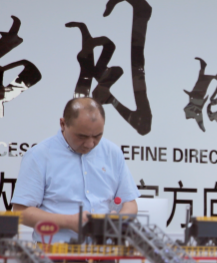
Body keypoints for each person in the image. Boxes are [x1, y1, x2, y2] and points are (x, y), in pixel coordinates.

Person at [12, 98, 139, 243]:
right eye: (82, 136)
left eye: (97, 136)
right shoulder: (39, 155)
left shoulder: (112, 153)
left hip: (105, 251)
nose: (90, 144)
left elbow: (130, 204)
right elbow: (21, 211)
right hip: (55, 252)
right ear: (63, 124)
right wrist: (68, 221)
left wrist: (117, 222)